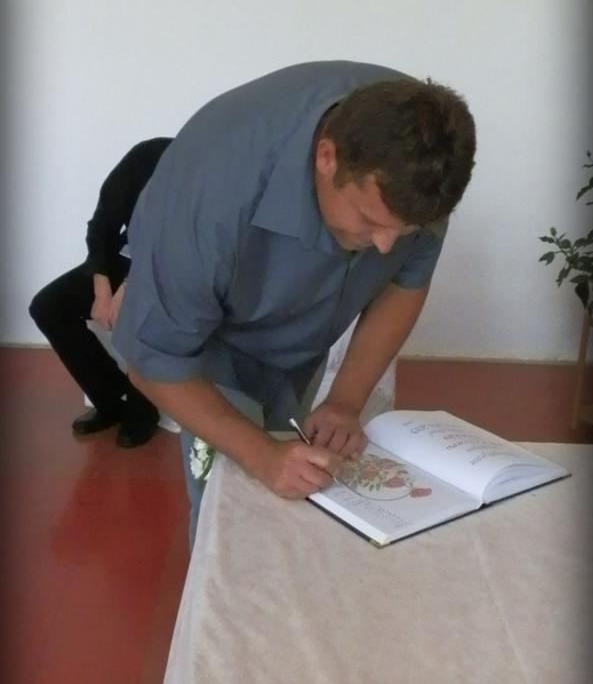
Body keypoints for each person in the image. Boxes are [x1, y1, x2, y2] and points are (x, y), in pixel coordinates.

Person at [112, 60, 476, 543]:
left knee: (297, 494)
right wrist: (261, 454)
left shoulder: (425, 167)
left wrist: (345, 401)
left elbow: (404, 283)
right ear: (327, 157)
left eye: (405, 230)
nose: (386, 245)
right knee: (228, 502)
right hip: (205, 343)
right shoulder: (209, 196)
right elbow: (154, 359)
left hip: (303, 335)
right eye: (370, 221)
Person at [29, 137, 172, 447]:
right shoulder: (147, 156)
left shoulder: (205, 177)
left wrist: (131, 287)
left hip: (172, 268)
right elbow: (102, 224)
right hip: (127, 256)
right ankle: (110, 398)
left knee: (139, 312)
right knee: (48, 306)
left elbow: (178, 245)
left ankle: (143, 408)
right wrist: (102, 287)